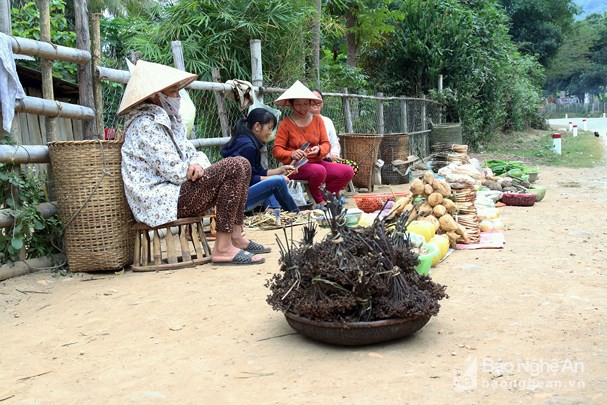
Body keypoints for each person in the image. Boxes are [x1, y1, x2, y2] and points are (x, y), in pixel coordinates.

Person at [118, 60, 269, 266]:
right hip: (161, 200)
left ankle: (235, 235)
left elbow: (193, 154)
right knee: (234, 166)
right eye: (173, 91)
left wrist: (195, 164)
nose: (178, 96)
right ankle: (223, 248)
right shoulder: (145, 125)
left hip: (176, 192)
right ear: (156, 95)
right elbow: (174, 171)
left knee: (242, 164)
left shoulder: (169, 121)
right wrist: (189, 168)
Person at [272, 81, 355, 209]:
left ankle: (327, 196)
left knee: (348, 171)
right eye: (298, 104)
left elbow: (326, 143)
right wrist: (292, 153)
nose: (303, 107)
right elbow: (277, 150)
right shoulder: (286, 123)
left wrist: (319, 149)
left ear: (311, 103)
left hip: (318, 162)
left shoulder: (318, 120)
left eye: (306, 103)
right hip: (296, 166)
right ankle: (320, 202)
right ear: (291, 104)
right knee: (319, 170)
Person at [220, 108, 300, 213]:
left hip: (239, 196)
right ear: (257, 126)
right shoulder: (248, 147)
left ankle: (273, 211)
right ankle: (294, 212)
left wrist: (280, 170)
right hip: (235, 201)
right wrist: (277, 177)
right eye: (269, 128)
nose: (270, 133)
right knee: (278, 181)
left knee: (274, 180)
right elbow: (250, 180)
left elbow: (258, 172)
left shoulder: (246, 141)